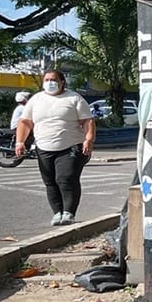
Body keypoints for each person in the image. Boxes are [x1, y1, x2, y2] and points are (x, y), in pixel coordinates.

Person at [14, 70, 95, 226]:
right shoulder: (36, 100)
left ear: (62, 82)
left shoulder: (74, 98)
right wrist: (20, 142)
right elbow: (25, 122)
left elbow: (87, 121)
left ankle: (69, 212)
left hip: (71, 146)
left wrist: (88, 140)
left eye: (53, 80)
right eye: (47, 80)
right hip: (43, 147)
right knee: (50, 181)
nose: (49, 82)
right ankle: (57, 213)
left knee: (65, 178)